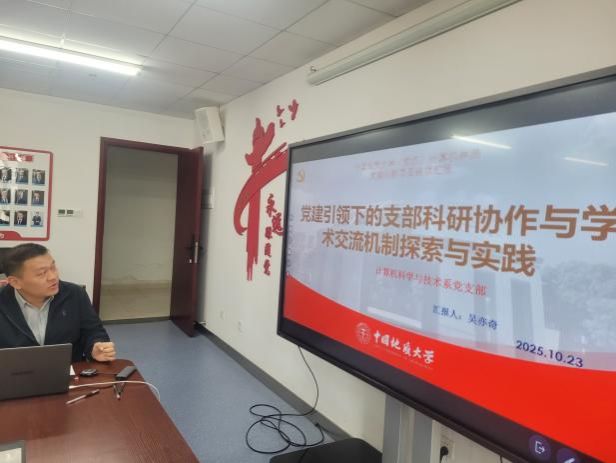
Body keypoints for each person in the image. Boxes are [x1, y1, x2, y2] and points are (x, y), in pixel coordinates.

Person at [0, 244, 115, 362]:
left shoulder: (75, 294)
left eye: (53, 268)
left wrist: (95, 347)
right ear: (15, 282)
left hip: (68, 369)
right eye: (41, 273)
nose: (53, 277)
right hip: (13, 371)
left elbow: (93, 331)